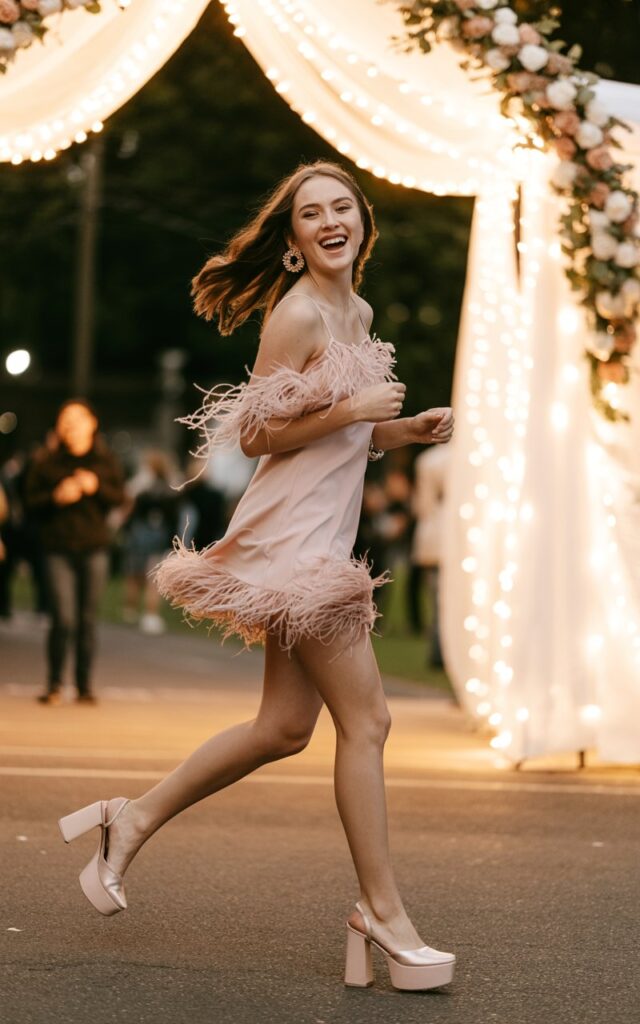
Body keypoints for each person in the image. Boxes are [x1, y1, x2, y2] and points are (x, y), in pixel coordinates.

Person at [57, 162, 455, 991]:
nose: (330, 221)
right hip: (296, 549)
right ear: (293, 239)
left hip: (319, 537)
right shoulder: (299, 313)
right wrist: (351, 410)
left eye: (342, 206)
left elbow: (342, 441)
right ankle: (381, 911)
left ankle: (129, 820)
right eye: (312, 214)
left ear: (362, 221)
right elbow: (259, 436)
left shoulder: (359, 311)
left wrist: (403, 431)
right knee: (370, 721)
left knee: (281, 727)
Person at [25, 400, 125, 704]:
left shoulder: (105, 462)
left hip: (94, 547)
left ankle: (84, 685)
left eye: (77, 420)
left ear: (92, 423)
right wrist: (56, 496)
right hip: (58, 548)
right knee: (63, 618)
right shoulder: (47, 462)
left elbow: (119, 497)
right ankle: (55, 684)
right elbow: (29, 503)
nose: (71, 426)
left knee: (87, 620)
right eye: (65, 420)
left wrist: (95, 487)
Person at [121, 450, 180, 634]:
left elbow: (132, 513)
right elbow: (174, 518)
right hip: (159, 536)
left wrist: (127, 531)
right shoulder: (171, 489)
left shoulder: (140, 486)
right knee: (153, 577)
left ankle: (130, 610)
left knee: (135, 574)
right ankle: (150, 614)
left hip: (140, 534)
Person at [411, 443, 452, 668]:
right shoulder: (467, 457)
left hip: (434, 532)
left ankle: (437, 650)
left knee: (436, 596)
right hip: (459, 534)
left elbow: (424, 505)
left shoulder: (427, 460)